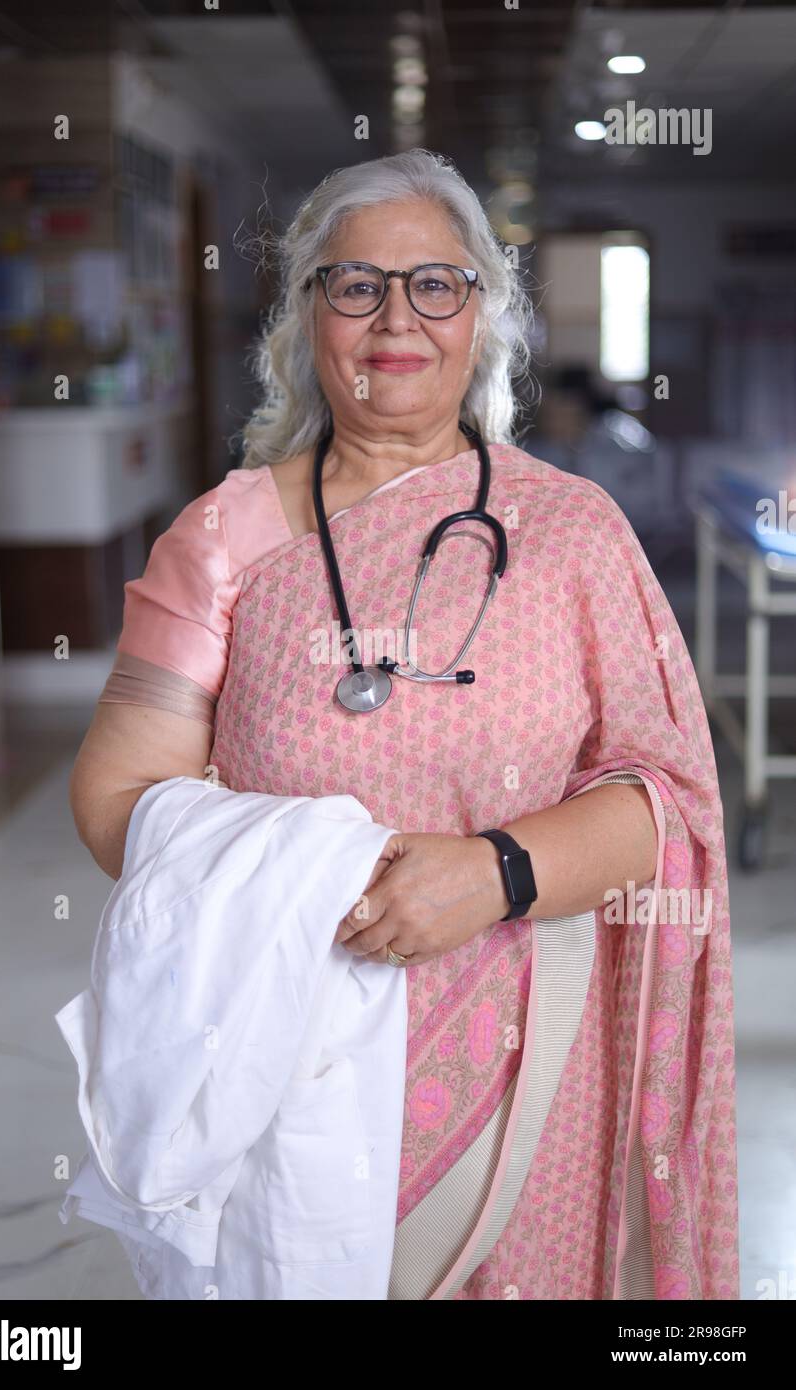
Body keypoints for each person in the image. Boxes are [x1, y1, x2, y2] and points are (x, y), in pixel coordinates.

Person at [70, 148, 739, 1300]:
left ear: (482, 314)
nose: (396, 320)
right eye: (354, 285)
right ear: (307, 313)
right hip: (290, 1050)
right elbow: (115, 799)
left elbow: (662, 805)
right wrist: (304, 872)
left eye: (435, 284)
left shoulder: (573, 534)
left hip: (533, 1059)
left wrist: (495, 873)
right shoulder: (224, 541)